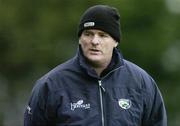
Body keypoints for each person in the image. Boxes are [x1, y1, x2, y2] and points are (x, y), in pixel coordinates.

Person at [24, 5, 167, 126]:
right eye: (88, 34)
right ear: (80, 39)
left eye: (103, 35)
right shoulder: (50, 85)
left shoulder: (142, 83)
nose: (94, 41)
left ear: (115, 41)